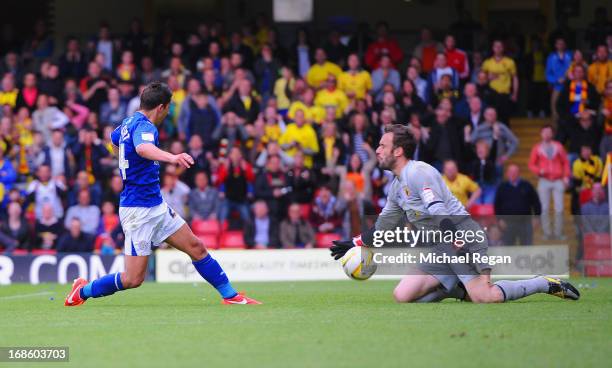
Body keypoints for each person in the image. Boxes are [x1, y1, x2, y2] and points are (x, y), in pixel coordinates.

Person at [330, 124, 579, 303]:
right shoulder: (396, 187)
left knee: (486, 297)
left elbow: (438, 208)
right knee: (402, 296)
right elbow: (384, 226)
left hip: (460, 237)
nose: (377, 149)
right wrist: (352, 243)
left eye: (383, 145)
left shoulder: (419, 172)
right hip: (439, 247)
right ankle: (459, 289)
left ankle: (544, 283)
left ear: (398, 151)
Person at [64, 82, 260, 306]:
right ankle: (82, 291)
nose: (168, 112)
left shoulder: (127, 124)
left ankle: (231, 295)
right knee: (133, 279)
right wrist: (173, 157)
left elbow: (114, 141)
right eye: (168, 108)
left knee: (196, 247)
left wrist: (123, 161)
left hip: (155, 205)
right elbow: (142, 149)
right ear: (160, 107)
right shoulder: (146, 127)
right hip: (138, 211)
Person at [528, 125, 570, 240]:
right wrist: (539, 171)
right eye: (544, 132)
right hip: (544, 180)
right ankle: (546, 233)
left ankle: (558, 232)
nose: (546, 134)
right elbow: (531, 164)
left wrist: (566, 177)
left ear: (552, 134)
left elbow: (565, 162)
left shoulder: (559, 146)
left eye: (549, 132)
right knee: (544, 208)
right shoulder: (537, 148)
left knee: (560, 208)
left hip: (558, 179)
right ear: (541, 134)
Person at [494, 164, 541, 246]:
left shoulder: (527, 185)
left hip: (525, 223)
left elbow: (536, 202)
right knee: (508, 249)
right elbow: (497, 205)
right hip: (507, 223)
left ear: (519, 173)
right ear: (507, 173)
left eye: (515, 172)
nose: (512, 174)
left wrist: (536, 218)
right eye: (510, 172)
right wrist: (499, 220)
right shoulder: (502, 187)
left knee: (526, 247)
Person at [481, 40, 518, 125]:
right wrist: (488, 78)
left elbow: (515, 78)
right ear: (493, 48)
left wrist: (515, 93)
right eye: (496, 46)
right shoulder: (487, 62)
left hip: (504, 93)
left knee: (505, 119)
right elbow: (481, 80)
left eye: (500, 46)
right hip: (492, 93)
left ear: (503, 48)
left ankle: (505, 137)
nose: (498, 48)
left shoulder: (510, 62)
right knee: (491, 118)